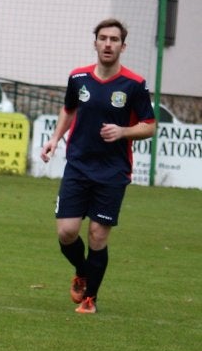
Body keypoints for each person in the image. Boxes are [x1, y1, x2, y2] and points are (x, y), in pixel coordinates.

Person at [39, 19, 156, 315]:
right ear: (95, 43)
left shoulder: (134, 84)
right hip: (78, 166)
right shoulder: (78, 78)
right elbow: (69, 110)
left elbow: (150, 126)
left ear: (122, 46)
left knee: (97, 236)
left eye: (114, 39)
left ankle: (90, 298)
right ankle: (82, 270)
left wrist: (123, 131)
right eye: (103, 38)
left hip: (113, 171)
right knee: (66, 232)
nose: (107, 44)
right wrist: (54, 138)